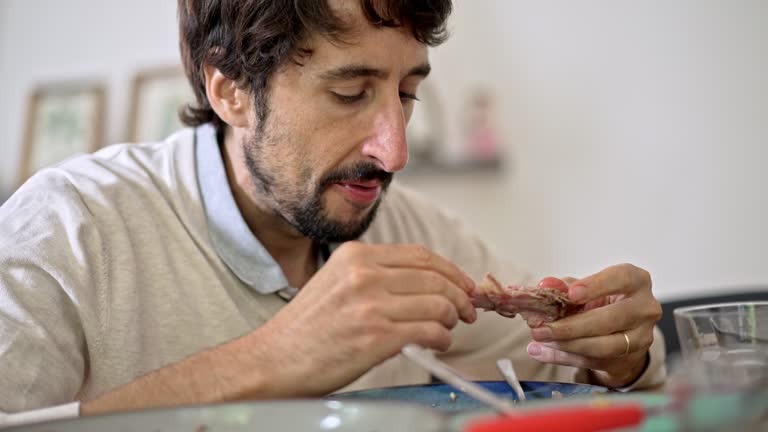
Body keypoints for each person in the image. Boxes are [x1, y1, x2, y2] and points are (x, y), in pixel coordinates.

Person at [0, 0, 665, 423]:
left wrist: (623, 354)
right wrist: (269, 360)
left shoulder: (415, 233)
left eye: (407, 94)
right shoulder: (66, 231)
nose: (394, 152)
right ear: (230, 90)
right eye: (350, 93)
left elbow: (581, 379)